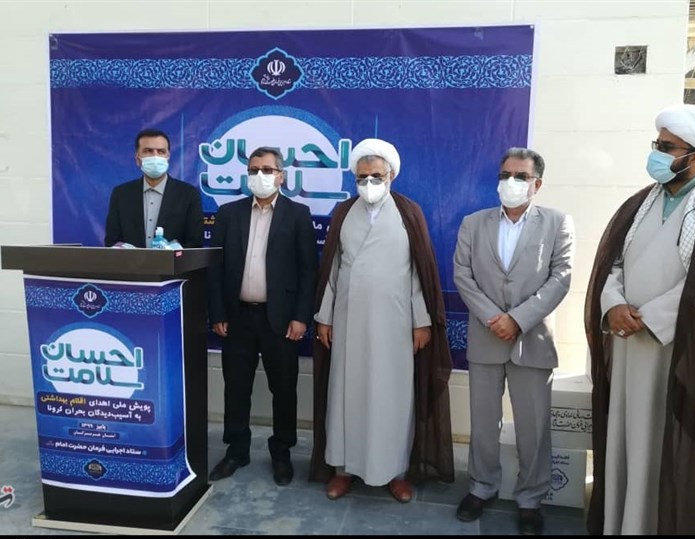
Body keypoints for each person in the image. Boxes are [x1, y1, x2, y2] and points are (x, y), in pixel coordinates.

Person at [585, 104, 695, 535]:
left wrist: (650, 317)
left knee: (664, 444)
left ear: (694, 157)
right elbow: (613, 263)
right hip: (627, 346)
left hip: (680, 355)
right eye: (656, 144)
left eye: (666, 147)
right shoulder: (640, 203)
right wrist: (613, 304)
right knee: (627, 440)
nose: (656, 154)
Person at [309, 138, 455, 503]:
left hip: (395, 324)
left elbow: (419, 273)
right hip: (348, 321)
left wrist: (421, 322)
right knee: (346, 395)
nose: (369, 183)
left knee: (392, 398)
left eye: (376, 176)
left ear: (391, 176)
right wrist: (324, 317)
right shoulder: (344, 212)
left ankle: (395, 472)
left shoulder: (408, 212)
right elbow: (332, 269)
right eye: (362, 177)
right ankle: (343, 469)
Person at [452, 147, 574, 534]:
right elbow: (462, 275)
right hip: (486, 336)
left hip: (532, 340)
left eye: (521, 176)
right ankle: (481, 487)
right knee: (483, 423)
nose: (511, 182)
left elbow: (561, 277)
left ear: (537, 184)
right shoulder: (474, 223)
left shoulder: (557, 222)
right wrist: (494, 317)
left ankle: (530, 498)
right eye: (506, 175)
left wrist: (518, 320)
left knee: (533, 427)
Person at [207, 146, 317, 487]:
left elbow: (308, 271)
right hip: (237, 317)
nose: (260, 175)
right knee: (236, 388)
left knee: (283, 389)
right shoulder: (229, 213)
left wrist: (301, 318)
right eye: (254, 169)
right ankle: (236, 450)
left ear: (281, 176)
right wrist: (218, 312)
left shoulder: (298, 214)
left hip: (280, 321)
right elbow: (215, 268)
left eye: (267, 170)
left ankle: (281, 452)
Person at [104, 128, 204, 248]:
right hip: (130, 261)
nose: (155, 156)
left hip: (173, 261)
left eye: (161, 151)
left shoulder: (188, 194)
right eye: (148, 151)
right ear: (137, 159)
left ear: (168, 157)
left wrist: (174, 252)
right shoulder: (121, 194)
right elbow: (111, 241)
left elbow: (195, 243)